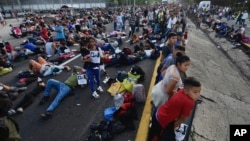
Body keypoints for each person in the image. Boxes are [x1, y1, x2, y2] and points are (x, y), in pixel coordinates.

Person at [148, 77, 201, 141]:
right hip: (163, 120)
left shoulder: (181, 90)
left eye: (199, 91)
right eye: (195, 92)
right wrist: (173, 127)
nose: (198, 95)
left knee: (154, 134)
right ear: (186, 91)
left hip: (158, 112)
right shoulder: (189, 102)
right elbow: (182, 119)